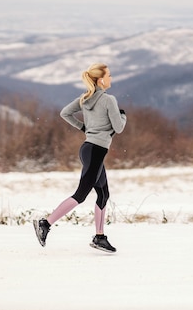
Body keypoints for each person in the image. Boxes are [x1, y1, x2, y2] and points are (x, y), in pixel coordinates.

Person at [33, 63, 127, 253]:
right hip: (96, 151)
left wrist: (85, 128)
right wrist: (123, 116)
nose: (111, 78)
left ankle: (100, 237)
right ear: (101, 80)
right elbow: (119, 128)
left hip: (89, 149)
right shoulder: (109, 100)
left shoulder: (85, 98)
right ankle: (46, 223)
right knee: (81, 195)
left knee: (103, 194)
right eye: (109, 75)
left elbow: (64, 113)